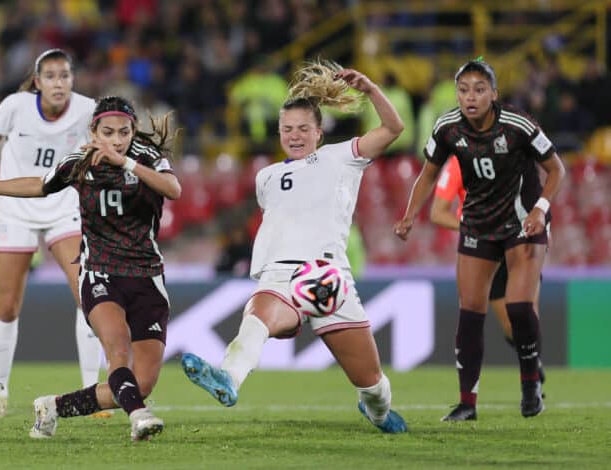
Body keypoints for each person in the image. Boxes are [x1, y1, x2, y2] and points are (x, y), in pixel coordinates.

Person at [181, 60, 408, 433]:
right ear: (278, 132)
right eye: (287, 129)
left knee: (372, 384)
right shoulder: (266, 176)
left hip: (328, 278)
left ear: (320, 132)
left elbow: (393, 128)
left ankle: (377, 410)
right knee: (256, 320)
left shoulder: (343, 156)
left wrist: (369, 90)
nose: (295, 135)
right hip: (280, 274)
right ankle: (228, 378)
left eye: (304, 128)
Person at [0, 95, 181, 442]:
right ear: (93, 132)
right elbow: (39, 185)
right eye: (108, 132)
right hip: (100, 273)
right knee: (118, 351)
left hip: (147, 278)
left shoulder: (147, 158)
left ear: (133, 131)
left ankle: (52, 406)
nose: (117, 139)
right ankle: (139, 417)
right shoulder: (80, 162)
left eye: (124, 132)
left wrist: (127, 164)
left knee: (142, 384)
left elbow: (173, 188)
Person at [394, 59, 565, 421]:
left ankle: (531, 380)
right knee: (470, 312)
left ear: (494, 94)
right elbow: (427, 176)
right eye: (463, 90)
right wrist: (409, 214)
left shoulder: (518, 124)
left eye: (479, 90)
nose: (470, 97)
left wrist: (540, 209)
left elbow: (556, 168)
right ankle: (467, 404)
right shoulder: (447, 127)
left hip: (523, 223)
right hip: (477, 224)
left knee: (518, 308)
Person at [0, 49, 104, 418]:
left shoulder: (88, 111)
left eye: (66, 76)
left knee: (87, 299)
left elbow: (105, 146)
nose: (60, 83)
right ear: (37, 82)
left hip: (63, 208)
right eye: (52, 76)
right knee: (8, 306)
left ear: (73, 80)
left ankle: (93, 390)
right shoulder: (16, 106)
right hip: (15, 205)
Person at [431, 155, 546, 387]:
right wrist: (474, 228)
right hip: (486, 251)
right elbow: (437, 212)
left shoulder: (513, 144)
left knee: (528, 319)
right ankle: (532, 367)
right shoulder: (456, 163)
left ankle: (532, 381)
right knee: (512, 328)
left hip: (520, 241)